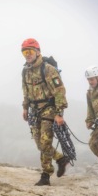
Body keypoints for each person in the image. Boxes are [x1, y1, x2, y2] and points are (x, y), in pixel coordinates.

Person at [21, 38, 70, 186]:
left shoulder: (48, 69)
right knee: (39, 143)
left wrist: (59, 113)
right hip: (34, 111)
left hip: (49, 109)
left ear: (37, 52)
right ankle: (61, 159)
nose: (27, 55)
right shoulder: (25, 71)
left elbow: (60, 91)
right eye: (24, 52)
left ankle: (46, 175)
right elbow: (26, 91)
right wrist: (25, 107)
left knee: (45, 141)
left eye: (30, 51)